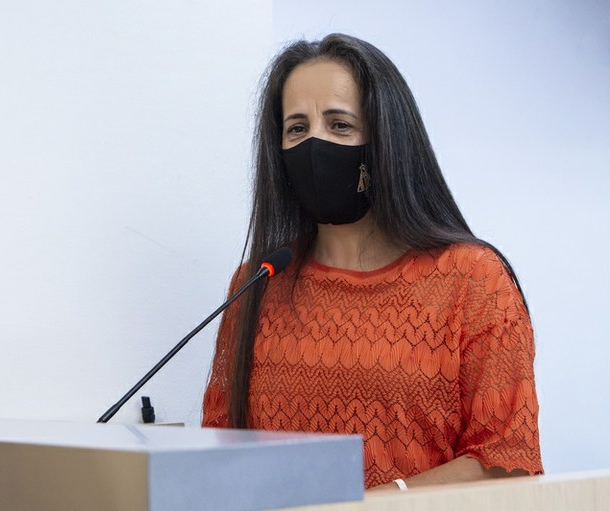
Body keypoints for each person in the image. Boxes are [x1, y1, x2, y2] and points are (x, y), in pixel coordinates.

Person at [201, 33, 543, 491]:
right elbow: (219, 449)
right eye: (297, 128)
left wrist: (379, 500)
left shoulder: (472, 280)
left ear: (386, 140)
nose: (315, 144)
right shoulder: (256, 283)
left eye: (339, 125)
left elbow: (506, 461)